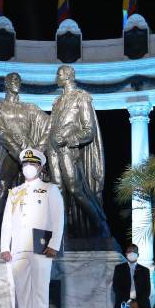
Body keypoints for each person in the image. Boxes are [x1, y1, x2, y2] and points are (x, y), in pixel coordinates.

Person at [0, 148, 64, 308]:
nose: (28, 167)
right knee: (22, 292)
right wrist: (5, 247)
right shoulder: (15, 192)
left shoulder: (50, 189)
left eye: (32, 164)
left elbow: (58, 219)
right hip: (19, 246)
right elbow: (7, 221)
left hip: (41, 244)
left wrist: (54, 243)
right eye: (25, 164)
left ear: (40, 167)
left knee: (40, 291)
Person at [0, 72, 50, 239]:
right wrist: (21, 154)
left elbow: (49, 125)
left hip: (29, 154)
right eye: (13, 80)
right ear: (6, 83)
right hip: (9, 152)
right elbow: (1, 132)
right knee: (3, 186)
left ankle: (31, 229)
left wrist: (38, 150)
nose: (16, 82)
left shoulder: (30, 108)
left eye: (19, 80)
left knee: (33, 190)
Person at [47, 64, 111, 238]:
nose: (56, 77)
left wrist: (69, 140)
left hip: (68, 149)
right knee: (58, 190)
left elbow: (89, 130)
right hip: (52, 150)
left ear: (68, 76)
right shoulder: (57, 101)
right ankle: (63, 233)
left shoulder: (81, 97)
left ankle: (99, 225)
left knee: (75, 188)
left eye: (59, 73)